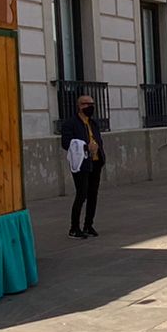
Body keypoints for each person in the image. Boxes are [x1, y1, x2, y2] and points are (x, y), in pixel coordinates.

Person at [62, 91, 105, 239]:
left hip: (96, 162)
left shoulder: (93, 123)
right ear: (79, 106)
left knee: (93, 195)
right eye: (86, 103)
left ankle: (88, 225)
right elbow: (66, 143)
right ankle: (74, 227)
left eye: (92, 104)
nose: (90, 106)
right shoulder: (70, 124)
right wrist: (86, 147)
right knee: (82, 195)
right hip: (81, 164)